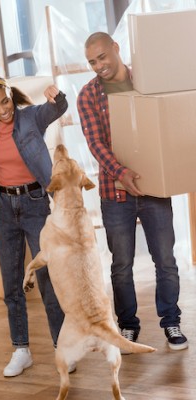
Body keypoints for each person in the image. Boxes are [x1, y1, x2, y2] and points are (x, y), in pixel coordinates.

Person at [77, 32, 188, 352]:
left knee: (166, 260)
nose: (98, 65)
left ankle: (171, 321)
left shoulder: (147, 81)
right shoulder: (88, 96)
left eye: (102, 57)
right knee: (121, 265)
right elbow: (96, 144)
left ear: (116, 48)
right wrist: (121, 172)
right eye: (92, 62)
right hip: (116, 194)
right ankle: (127, 325)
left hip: (154, 188)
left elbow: (168, 121)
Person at [0, 73, 72, 377]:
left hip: (33, 204)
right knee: (12, 282)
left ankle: (62, 347)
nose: (2, 110)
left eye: (4, 101)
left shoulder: (31, 117)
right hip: (2, 208)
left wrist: (56, 96)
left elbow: (57, 108)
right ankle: (21, 349)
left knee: (46, 279)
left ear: (10, 95)